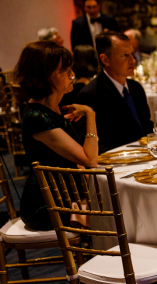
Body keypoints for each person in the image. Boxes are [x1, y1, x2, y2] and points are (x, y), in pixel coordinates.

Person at [14, 41, 98, 230]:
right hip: (46, 205)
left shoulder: (52, 109)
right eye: (64, 70)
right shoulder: (37, 116)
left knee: (114, 198)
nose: (72, 75)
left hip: (67, 193)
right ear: (43, 75)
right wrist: (90, 114)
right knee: (111, 207)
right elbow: (90, 159)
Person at [76, 31, 153, 152]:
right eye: (125, 55)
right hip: (119, 164)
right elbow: (98, 146)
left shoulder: (136, 88)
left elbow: (147, 129)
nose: (132, 60)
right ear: (105, 59)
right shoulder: (91, 95)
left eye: (132, 54)